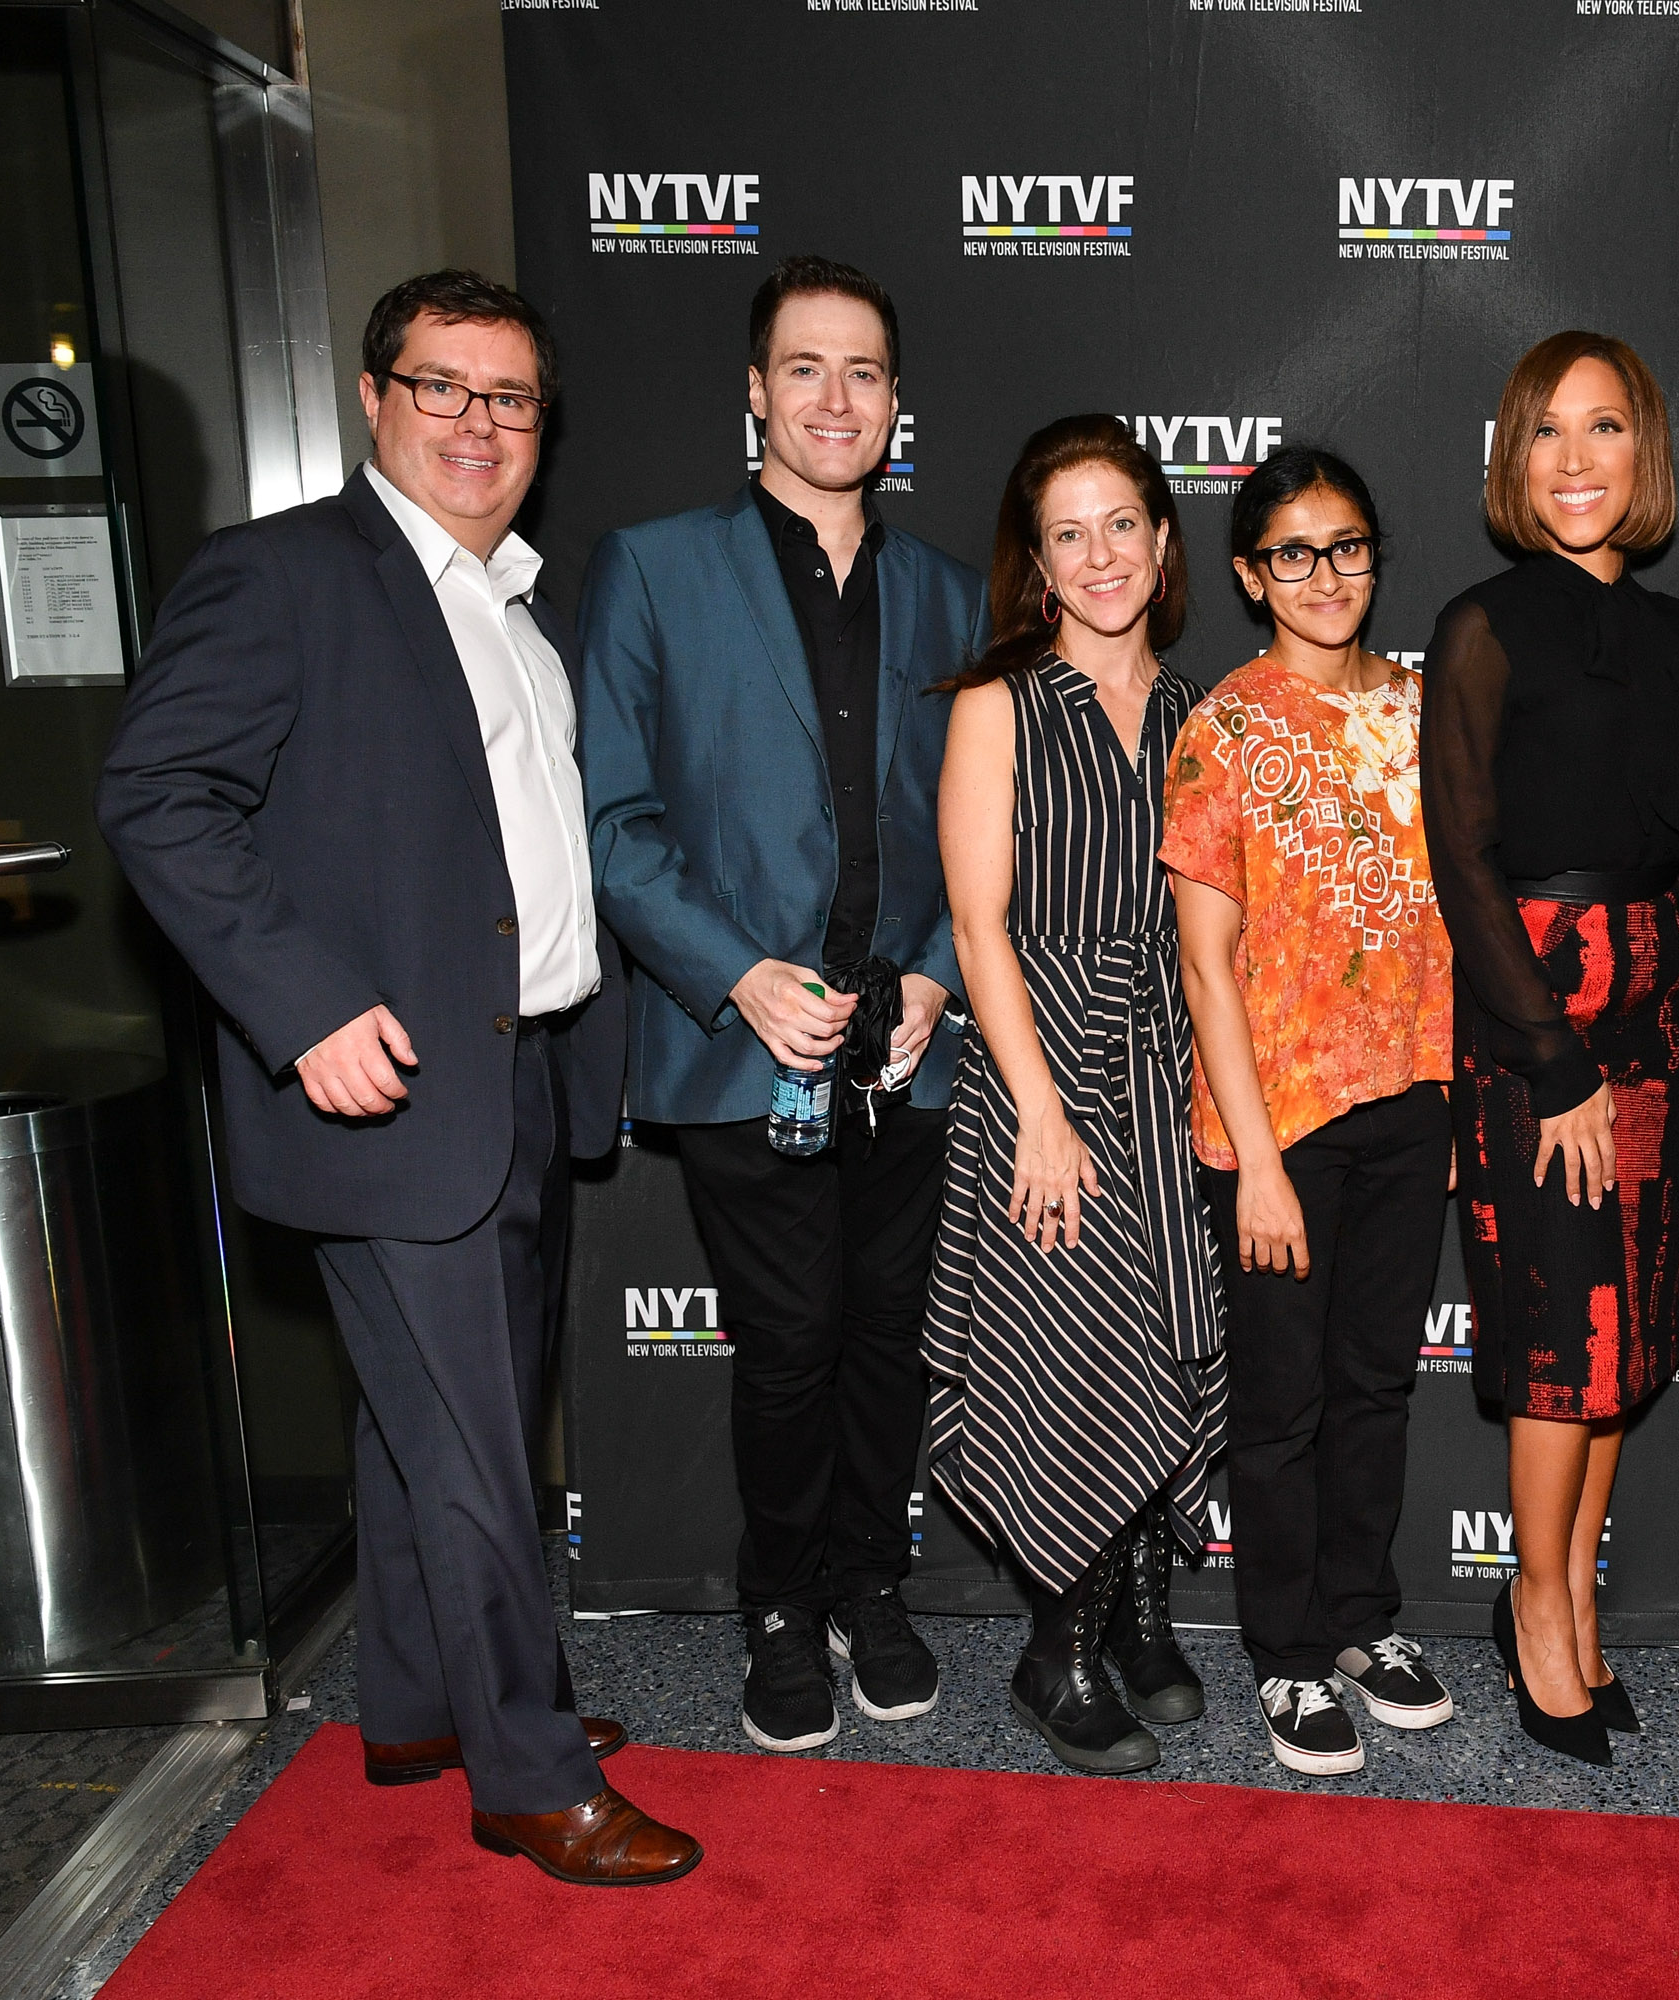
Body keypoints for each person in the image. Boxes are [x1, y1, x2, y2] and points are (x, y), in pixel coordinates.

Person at [97, 271, 697, 1885]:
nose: (476, 424)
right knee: (479, 1451)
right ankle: (528, 1772)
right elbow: (157, 795)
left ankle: (422, 1705)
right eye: (443, 386)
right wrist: (304, 1009)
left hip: (522, 1074)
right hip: (388, 1090)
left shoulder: (518, 602)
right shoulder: (281, 576)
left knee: (428, 1423)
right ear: (375, 397)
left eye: (511, 398)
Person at [577, 256, 984, 1752]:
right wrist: (740, 977)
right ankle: (779, 1603)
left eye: (863, 372)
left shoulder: (952, 594)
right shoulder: (652, 568)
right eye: (804, 368)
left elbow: (985, 827)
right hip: (742, 1042)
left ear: (896, 401)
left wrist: (937, 971)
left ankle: (872, 1585)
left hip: (907, 1042)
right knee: (792, 1338)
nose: (834, 398)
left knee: (886, 1336)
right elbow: (612, 818)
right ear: (755, 391)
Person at [1422, 331, 1679, 1767]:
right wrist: (1551, 1061)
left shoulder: (1677, 635)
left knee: (1628, 1334)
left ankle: (1573, 1596)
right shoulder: (1481, 625)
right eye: (1545, 430)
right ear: (1513, 459)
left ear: (1643, 449)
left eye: (1603, 427)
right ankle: (1536, 1605)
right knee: (1564, 1338)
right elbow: (1463, 860)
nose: (1575, 459)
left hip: (1660, 1011)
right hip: (1538, 1014)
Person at [926, 414, 1227, 1776]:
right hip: (1042, 1064)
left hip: (1168, 1062)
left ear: (1162, 541)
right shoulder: (998, 704)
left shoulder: (1198, 712)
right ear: (1037, 565)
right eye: (1068, 535)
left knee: (1164, 1334)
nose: (1099, 556)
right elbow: (977, 926)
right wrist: (1040, 1115)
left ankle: (1140, 1618)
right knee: (1069, 1355)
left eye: (1121, 526)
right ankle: (1056, 1652)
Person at [1164, 447, 1458, 1777]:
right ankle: (1285, 1652)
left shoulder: (1424, 707)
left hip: (1413, 1099)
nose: (1325, 574)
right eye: (1294, 552)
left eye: (1346, 547)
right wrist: (1260, 1165)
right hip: (1278, 1121)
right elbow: (1206, 965)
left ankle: (1359, 1620)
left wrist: (1450, 1096)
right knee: (1281, 1405)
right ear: (1251, 574)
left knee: (1375, 1387)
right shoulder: (1223, 729)